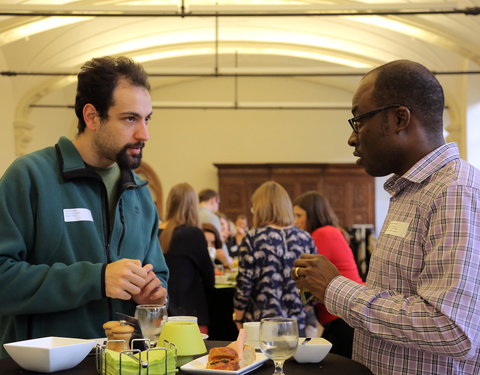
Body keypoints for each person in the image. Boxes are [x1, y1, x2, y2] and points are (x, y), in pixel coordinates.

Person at [293, 60, 480, 373]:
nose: (353, 138)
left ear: (398, 118)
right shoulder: (410, 191)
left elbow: (452, 329)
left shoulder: (454, 190)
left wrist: (335, 288)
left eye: (358, 120)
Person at [0, 56, 169, 358]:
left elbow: (159, 276)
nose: (144, 134)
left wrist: (152, 296)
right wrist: (95, 279)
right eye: (130, 119)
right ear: (92, 116)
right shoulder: (29, 177)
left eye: (147, 119)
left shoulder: (140, 194)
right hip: (44, 365)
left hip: (124, 363)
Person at [233, 181, 316, 336]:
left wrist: (237, 317)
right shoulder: (305, 238)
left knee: (262, 361)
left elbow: (244, 284)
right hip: (296, 323)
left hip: (261, 323)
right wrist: (305, 306)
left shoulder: (252, 238)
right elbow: (311, 285)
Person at [293, 191, 363, 357]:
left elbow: (308, 278)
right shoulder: (330, 231)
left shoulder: (322, 233)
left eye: (299, 215)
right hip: (343, 313)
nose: (295, 221)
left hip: (343, 315)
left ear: (313, 215)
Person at [159, 183, 214, 333]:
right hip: (190, 314)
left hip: (162, 312)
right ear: (193, 205)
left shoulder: (157, 232)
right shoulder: (192, 234)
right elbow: (210, 278)